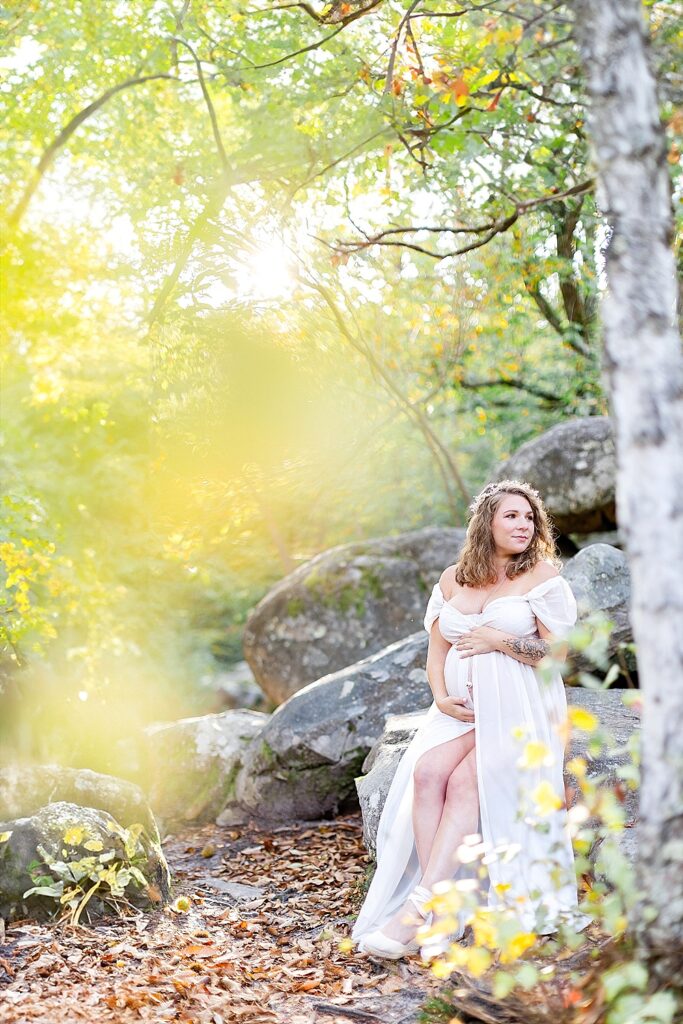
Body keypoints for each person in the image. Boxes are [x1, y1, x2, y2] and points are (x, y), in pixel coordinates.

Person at [352, 479, 585, 959]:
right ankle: (442, 910)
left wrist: (498, 641)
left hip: (520, 708)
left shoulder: (541, 577)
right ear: (487, 523)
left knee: (462, 785)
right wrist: (439, 696)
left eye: (529, 517)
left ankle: (422, 912)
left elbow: (559, 657)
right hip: (462, 712)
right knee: (426, 772)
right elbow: (435, 653)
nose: (524, 525)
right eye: (511, 516)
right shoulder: (452, 578)